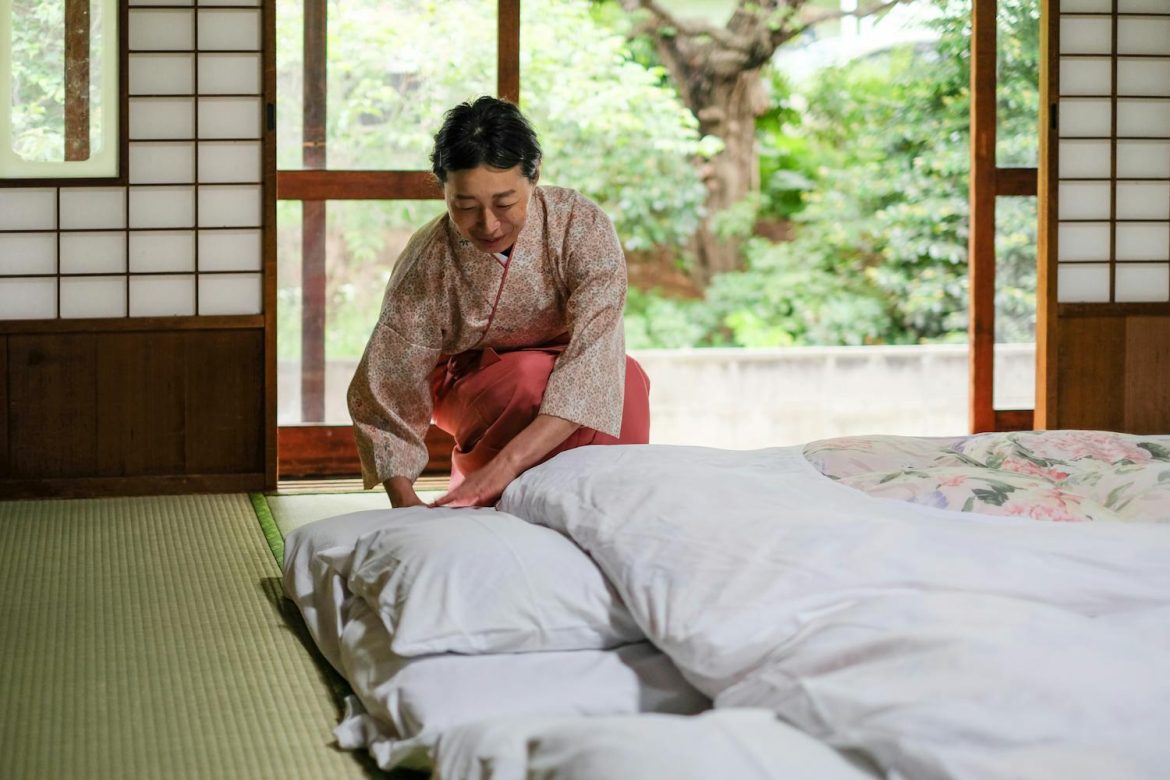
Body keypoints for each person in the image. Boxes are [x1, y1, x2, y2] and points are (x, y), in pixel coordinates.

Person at [347, 96, 651, 509]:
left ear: (535, 177)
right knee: (526, 377)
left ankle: (603, 508)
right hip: (471, 378)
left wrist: (507, 464)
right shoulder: (430, 259)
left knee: (628, 379)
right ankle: (482, 495)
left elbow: (596, 357)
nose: (488, 225)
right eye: (465, 206)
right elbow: (388, 385)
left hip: (571, 362)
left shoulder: (580, 225)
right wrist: (406, 505)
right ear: (444, 190)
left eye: (505, 203)